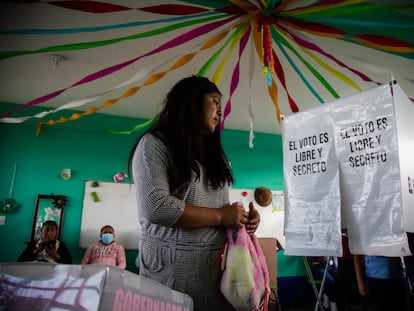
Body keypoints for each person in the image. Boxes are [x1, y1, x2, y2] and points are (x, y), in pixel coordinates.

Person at [128, 75, 261, 310]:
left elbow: (221, 208)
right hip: (170, 270)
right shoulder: (154, 144)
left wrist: (241, 221)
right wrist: (221, 216)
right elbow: (157, 208)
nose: (220, 110)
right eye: (215, 101)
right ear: (191, 102)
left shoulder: (217, 158)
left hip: (215, 271)